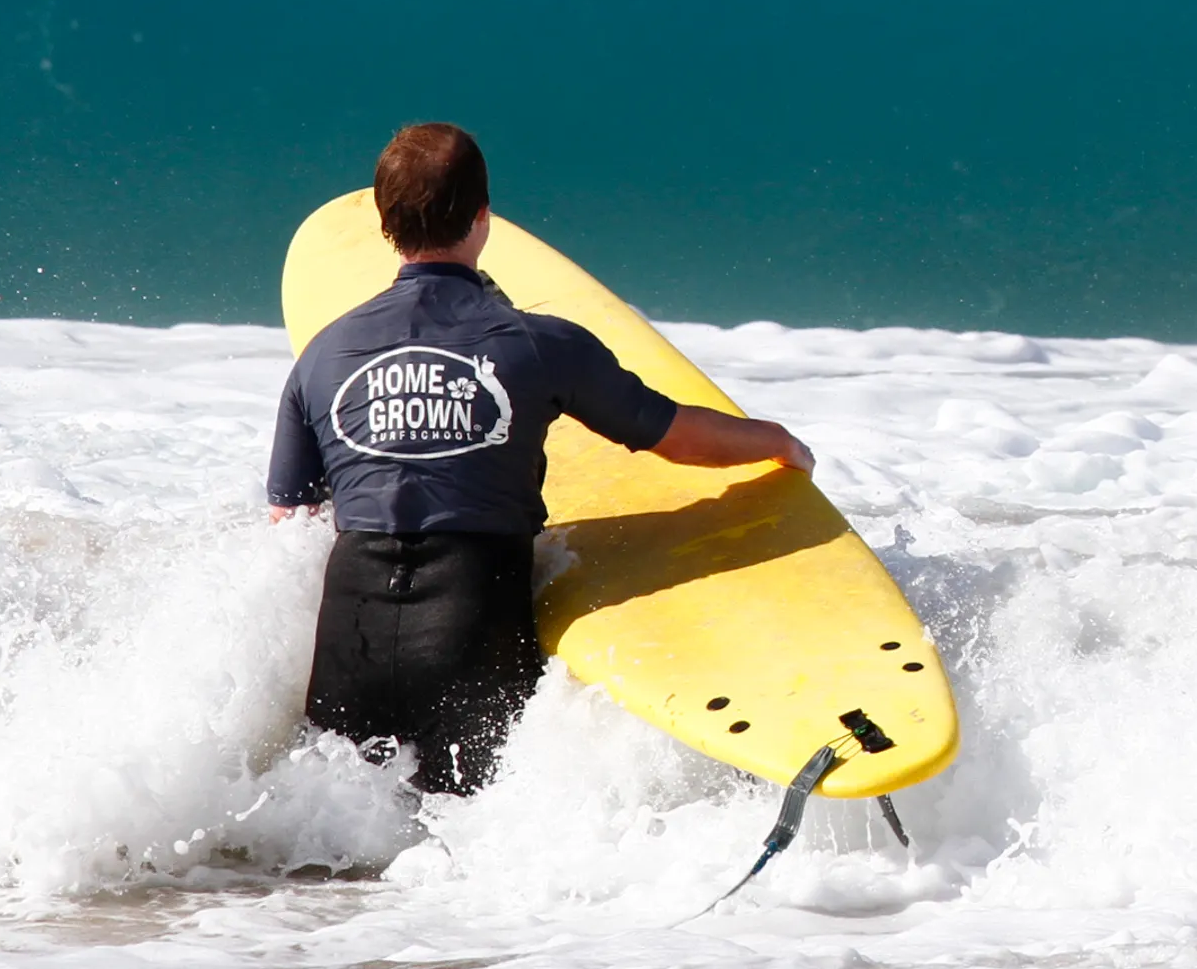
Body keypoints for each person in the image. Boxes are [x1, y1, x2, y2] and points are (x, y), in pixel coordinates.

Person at [267, 121, 816, 793]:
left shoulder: (321, 355)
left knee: (333, 850)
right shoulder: (537, 342)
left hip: (350, 627)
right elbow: (673, 435)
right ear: (482, 218)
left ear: (384, 226)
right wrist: (777, 442)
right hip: (471, 616)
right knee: (464, 853)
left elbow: (289, 520)